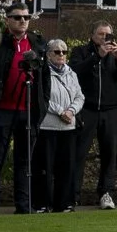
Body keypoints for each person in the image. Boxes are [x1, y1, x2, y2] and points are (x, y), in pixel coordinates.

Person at [0, 0, 45, 216]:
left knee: (24, 161)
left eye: (26, 17)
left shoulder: (38, 43)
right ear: (7, 20)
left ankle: (23, 206)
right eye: (17, 17)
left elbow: (46, 78)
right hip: (2, 110)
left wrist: (43, 104)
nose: (22, 21)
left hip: (29, 111)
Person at [71, 22, 117, 209]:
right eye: (101, 34)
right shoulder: (80, 51)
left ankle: (106, 192)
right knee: (79, 153)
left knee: (109, 153)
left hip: (109, 110)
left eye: (108, 34)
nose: (105, 38)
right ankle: (73, 194)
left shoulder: (114, 56)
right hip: (87, 109)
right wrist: (97, 56)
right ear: (93, 35)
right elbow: (75, 71)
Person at [36, 39, 83, 212]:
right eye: (57, 52)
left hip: (68, 127)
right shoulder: (43, 72)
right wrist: (60, 112)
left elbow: (80, 96)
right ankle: (43, 203)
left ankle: (64, 203)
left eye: (64, 51)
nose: (61, 55)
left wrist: (71, 111)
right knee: (45, 168)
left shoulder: (71, 73)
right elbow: (42, 96)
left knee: (66, 167)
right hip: (48, 127)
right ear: (48, 54)